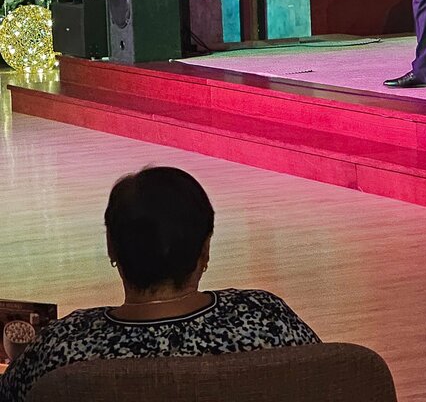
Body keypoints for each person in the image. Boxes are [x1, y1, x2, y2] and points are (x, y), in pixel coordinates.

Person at [0, 166, 319, 402]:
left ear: (111, 247)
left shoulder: (61, 346)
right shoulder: (267, 317)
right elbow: (326, 376)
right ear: (205, 249)